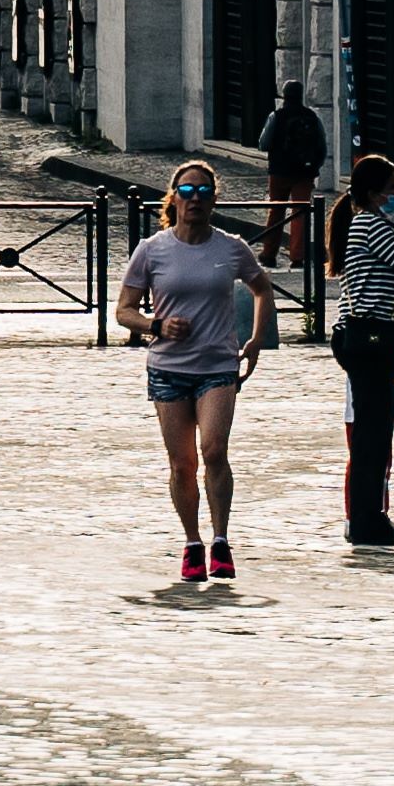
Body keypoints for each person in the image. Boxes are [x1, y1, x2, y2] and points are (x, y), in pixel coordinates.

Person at [119, 160, 276, 583]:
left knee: (214, 451)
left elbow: (262, 289)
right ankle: (192, 543)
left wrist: (257, 338)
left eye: (204, 193)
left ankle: (221, 540)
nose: (195, 200)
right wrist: (156, 325)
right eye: (187, 193)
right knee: (182, 463)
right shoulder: (151, 250)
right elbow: (124, 311)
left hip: (218, 366)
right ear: (173, 199)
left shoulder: (231, 248)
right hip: (168, 368)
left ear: (213, 200)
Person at [329, 149, 394, 548]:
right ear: (375, 193)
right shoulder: (372, 224)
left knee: (373, 433)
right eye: (392, 188)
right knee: (373, 437)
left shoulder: (364, 224)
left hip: (367, 337)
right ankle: (368, 523)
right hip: (369, 336)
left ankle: (370, 518)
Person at [262, 77, 330, 288]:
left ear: (284, 95)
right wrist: (313, 166)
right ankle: (298, 256)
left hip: (279, 171)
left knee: (276, 211)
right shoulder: (311, 117)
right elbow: (322, 145)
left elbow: (263, 143)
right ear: (301, 95)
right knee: (299, 213)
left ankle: (269, 253)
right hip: (304, 172)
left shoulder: (276, 116)